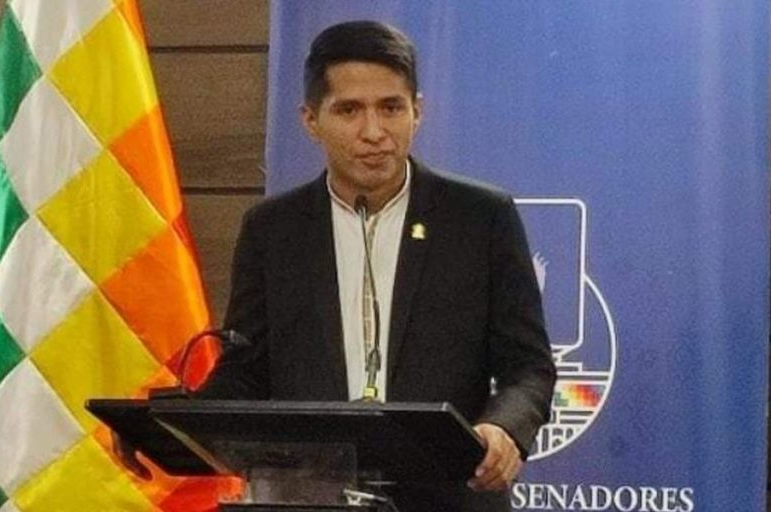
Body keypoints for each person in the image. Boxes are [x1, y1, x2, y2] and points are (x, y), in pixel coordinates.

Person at [119, 20, 556, 511]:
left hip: (450, 498)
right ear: (311, 120)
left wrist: (503, 428)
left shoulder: (480, 217)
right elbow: (246, 371)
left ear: (417, 111)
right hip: (307, 495)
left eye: (391, 108)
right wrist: (163, 426)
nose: (374, 132)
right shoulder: (272, 229)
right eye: (349, 110)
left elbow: (529, 367)